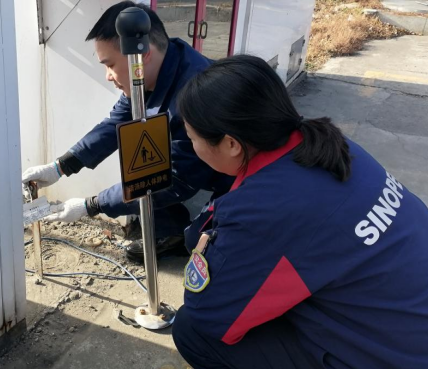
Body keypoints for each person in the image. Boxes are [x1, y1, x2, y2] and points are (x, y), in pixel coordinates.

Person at [172, 54, 428, 369]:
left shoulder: (263, 209)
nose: (192, 146)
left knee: (192, 330)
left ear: (231, 144)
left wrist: (203, 249)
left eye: (192, 137)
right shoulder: (328, 144)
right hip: (408, 322)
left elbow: (208, 312)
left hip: (394, 357)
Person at [21, 1, 231, 262]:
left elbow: (176, 180)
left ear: (142, 55)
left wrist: (92, 205)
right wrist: (60, 167)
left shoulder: (195, 95)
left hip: (234, 175)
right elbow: (114, 125)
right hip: (195, 166)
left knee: (204, 243)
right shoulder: (150, 73)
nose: (108, 76)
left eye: (110, 65)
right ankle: (170, 232)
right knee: (141, 162)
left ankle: (193, 236)